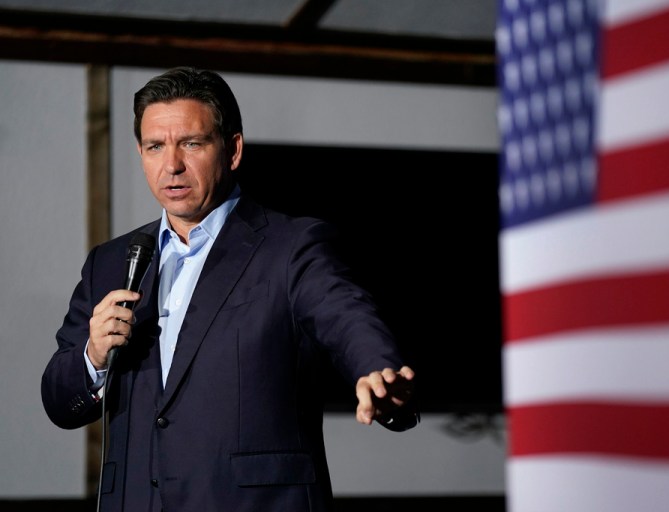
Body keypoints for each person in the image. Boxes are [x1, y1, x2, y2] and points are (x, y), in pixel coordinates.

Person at [41, 66, 418, 511]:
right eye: (155, 146)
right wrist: (94, 356)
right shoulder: (111, 261)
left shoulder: (289, 246)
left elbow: (345, 313)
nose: (172, 164)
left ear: (233, 150)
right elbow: (60, 400)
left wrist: (377, 369)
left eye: (192, 143)